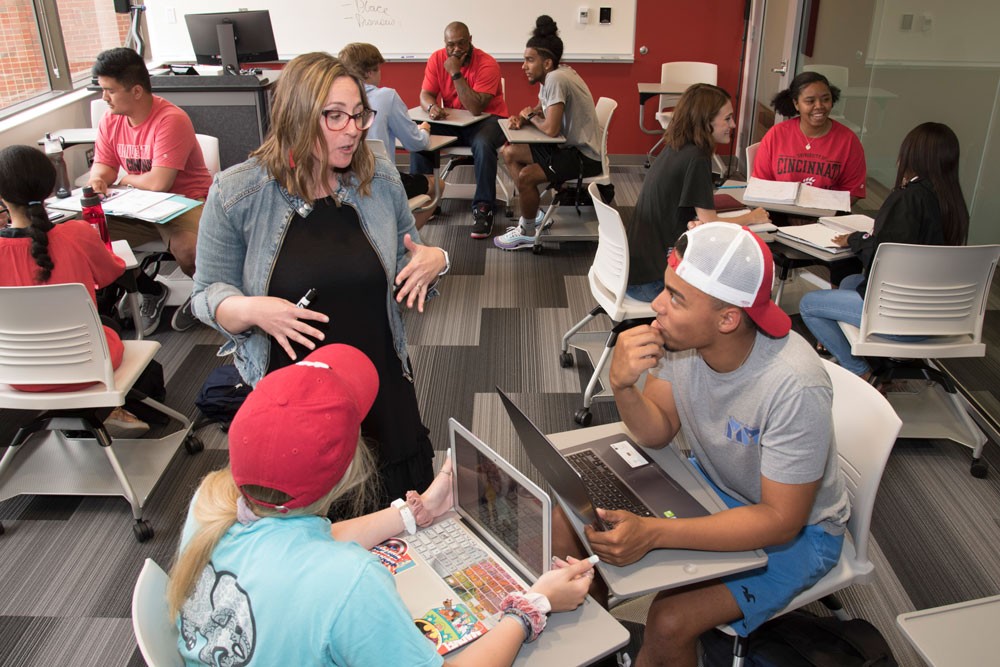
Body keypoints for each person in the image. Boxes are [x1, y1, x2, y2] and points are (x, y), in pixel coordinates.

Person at [167, 343, 597, 666]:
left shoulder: (213, 502)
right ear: (348, 471)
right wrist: (530, 608)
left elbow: (307, 542)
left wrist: (415, 511)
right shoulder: (350, 582)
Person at [558, 223, 849, 667]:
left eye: (675, 298)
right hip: (714, 488)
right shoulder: (684, 342)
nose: (656, 305)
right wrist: (622, 387)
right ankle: (594, 649)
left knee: (670, 621)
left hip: (801, 532)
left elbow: (780, 521)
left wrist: (655, 534)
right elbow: (657, 430)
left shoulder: (794, 385)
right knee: (570, 526)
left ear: (727, 318)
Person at [191, 52, 449, 513]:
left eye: (359, 114)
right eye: (335, 116)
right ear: (297, 115)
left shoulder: (380, 176)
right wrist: (253, 310)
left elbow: (410, 268)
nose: (354, 129)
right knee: (319, 538)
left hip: (378, 385)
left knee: (399, 531)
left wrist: (437, 260)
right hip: (294, 401)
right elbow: (205, 295)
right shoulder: (238, 193)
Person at [799, 122, 970, 381]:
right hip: (941, 317)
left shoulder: (909, 197)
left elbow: (883, 257)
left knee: (809, 304)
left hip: (901, 318)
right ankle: (866, 356)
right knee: (850, 281)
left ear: (911, 154)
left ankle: (860, 372)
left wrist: (856, 240)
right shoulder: (954, 202)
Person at [0, 144, 148, 437]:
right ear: (49, 187)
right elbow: (111, 273)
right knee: (108, 326)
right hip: (90, 365)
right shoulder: (78, 234)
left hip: (16, 375)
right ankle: (109, 410)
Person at [89, 47, 213, 335]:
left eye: (109, 90)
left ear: (135, 91)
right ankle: (149, 289)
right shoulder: (110, 120)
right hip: (136, 206)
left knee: (189, 251)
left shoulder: (171, 119)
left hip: (183, 203)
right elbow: (104, 166)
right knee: (89, 238)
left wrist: (126, 179)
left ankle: (206, 295)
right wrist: (98, 180)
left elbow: (159, 183)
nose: (103, 98)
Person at [625, 84, 770, 301]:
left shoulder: (676, 145)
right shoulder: (697, 157)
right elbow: (712, 224)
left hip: (635, 271)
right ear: (706, 120)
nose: (733, 124)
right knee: (729, 295)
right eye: (728, 118)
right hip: (655, 282)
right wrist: (752, 217)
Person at [493, 15, 603, 252]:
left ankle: (527, 231)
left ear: (547, 63)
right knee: (509, 152)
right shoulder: (556, 75)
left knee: (526, 176)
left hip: (583, 157)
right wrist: (525, 116)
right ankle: (533, 210)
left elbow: (551, 129)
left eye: (529, 60)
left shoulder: (555, 79)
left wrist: (530, 117)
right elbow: (544, 107)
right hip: (569, 148)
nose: (523, 66)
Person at [414, 21, 508, 239]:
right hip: (454, 120)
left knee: (483, 144)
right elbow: (425, 95)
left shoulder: (487, 64)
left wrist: (456, 73)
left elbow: (475, 108)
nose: (456, 50)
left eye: (461, 43)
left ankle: (484, 208)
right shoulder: (437, 58)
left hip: (488, 120)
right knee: (420, 134)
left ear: (470, 40)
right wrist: (431, 107)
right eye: (451, 45)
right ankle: (427, 197)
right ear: (444, 44)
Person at [338, 42, 445, 229]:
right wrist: (424, 130)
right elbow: (415, 144)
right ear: (369, 72)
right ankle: (405, 241)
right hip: (382, 183)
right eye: (379, 69)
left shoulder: (333, 99)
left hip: (342, 185)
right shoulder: (387, 97)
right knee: (439, 185)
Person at [752, 70, 867, 202]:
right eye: (810, 101)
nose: (819, 106)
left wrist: (817, 213)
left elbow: (852, 192)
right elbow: (761, 185)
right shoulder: (776, 135)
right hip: (779, 212)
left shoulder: (848, 141)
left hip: (827, 214)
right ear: (796, 104)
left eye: (826, 99)